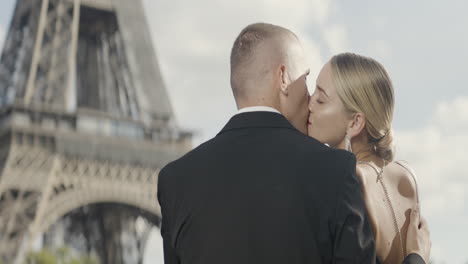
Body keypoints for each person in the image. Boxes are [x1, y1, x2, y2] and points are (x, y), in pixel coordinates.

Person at [157, 23, 430, 264]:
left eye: (320, 97)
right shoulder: (336, 173)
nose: (309, 97)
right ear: (283, 77)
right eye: (306, 79)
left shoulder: (174, 180)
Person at [308, 53, 430, 263]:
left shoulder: (347, 180)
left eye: (320, 99)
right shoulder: (407, 175)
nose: (309, 104)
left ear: (355, 122)